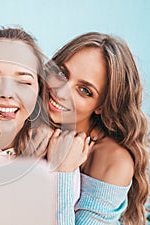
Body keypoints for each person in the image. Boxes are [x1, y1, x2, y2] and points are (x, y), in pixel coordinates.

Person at [0, 28, 91, 225]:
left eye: (23, 81)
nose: (7, 93)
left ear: (38, 90)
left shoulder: (57, 157)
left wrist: (62, 174)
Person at [45, 32, 149, 225]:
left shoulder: (114, 160)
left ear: (102, 106)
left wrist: (63, 172)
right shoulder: (30, 119)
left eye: (85, 91)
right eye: (61, 73)